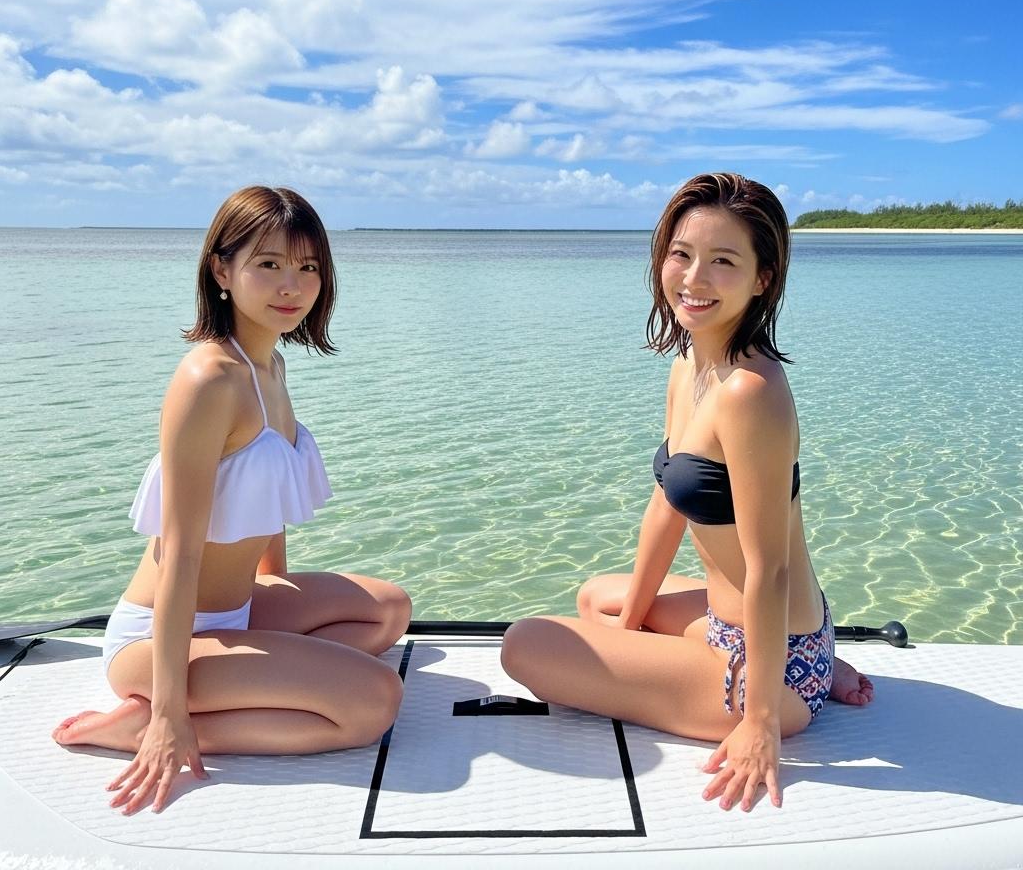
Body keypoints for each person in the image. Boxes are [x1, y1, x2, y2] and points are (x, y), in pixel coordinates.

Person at [501, 172, 873, 813]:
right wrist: (629, 625)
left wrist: (758, 724)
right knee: (599, 598)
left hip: (775, 665)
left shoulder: (750, 394)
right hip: (733, 624)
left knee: (525, 645)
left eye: (723, 261)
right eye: (682, 254)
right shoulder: (690, 365)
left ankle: (795, 691)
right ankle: (779, 665)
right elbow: (667, 503)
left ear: (762, 279)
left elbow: (770, 567)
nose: (694, 278)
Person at [53, 186, 411, 814]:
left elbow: (263, 499)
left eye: (307, 267)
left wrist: (278, 607)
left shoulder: (269, 366)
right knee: (374, 703)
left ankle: (244, 686)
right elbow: (181, 554)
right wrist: (170, 715)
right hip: (159, 638)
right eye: (268, 264)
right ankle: (151, 723)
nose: (292, 286)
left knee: (388, 610)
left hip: (238, 610)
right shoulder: (208, 379)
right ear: (222, 270)